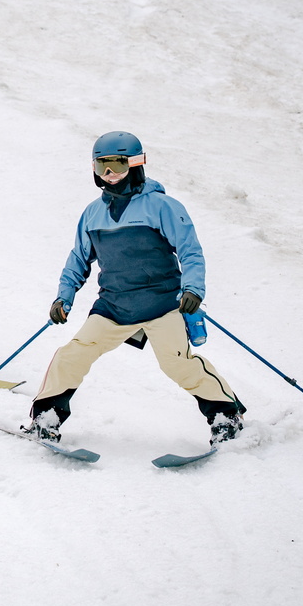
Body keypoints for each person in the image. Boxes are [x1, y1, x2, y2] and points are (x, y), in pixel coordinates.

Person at [27, 131, 245, 446]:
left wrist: (193, 288)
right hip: (114, 307)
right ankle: (45, 418)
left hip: (163, 304)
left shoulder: (162, 206)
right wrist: (64, 296)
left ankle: (226, 416)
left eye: (117, 164)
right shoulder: (92, 213)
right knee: (71, 355)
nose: (110, 174)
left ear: (136, 164)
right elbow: (78, 259)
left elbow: (190, 251)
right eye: (102, 166)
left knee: (178, 363)